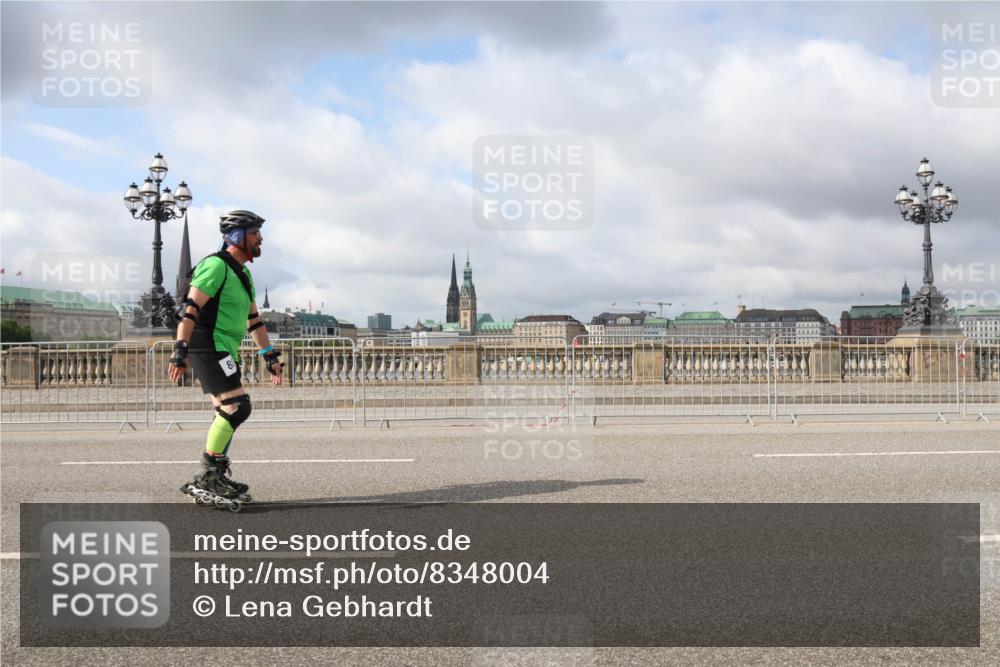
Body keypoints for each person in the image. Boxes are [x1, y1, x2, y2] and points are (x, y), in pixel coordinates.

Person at [168, 210, 283, 510]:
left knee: (226, 410)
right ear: (236, 237)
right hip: (206, 343)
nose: (260, 238)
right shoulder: (215, 266)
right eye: (255, 233)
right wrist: (180, 350)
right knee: (237, 406)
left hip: (223, 348)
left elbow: (254, 321)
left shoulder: (243, 274)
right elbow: (190, 309)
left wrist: (269, 356)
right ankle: (208, 474)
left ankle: (215, 475)